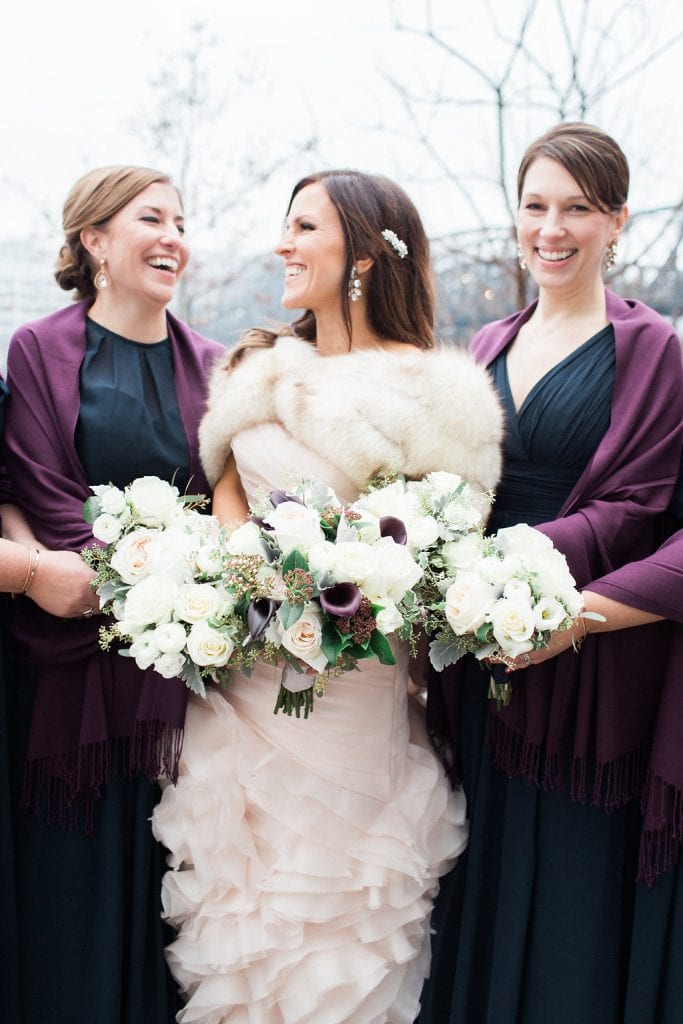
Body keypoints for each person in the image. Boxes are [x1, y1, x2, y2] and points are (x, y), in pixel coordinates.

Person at [151, 168, 503, 1023]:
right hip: (244, 688)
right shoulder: (258, 368)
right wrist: (250, 579)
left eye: (304, 227)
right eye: (286, 225)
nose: (284, 244)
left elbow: (441, 542)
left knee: (341, 917)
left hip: (359, 688)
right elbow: (224, 487)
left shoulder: (439, 392)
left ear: (362, 254)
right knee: (244, 920)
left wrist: (338, 588)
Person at [420, 123, 683, 1024]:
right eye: (535, 206)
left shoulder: (653, 353)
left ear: (617, 222)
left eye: (577, 209)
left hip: (590, 656)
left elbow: (642, 505)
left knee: (570, 895)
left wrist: (526, 585)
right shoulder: (487, 341)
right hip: (477, 656)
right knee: (477, 872)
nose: (552, 229)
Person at [2, 165, 224, 1024]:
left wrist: (186, 580)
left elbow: (228, 510)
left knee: (174, 909)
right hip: (68, 675)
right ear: (94, 239)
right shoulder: (39, 349)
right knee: (75, 900)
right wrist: (135, 572)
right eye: (150, 219)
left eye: (181, 221)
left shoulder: (213, 365)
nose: (173, 236)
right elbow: (42, 490)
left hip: (190, 679)